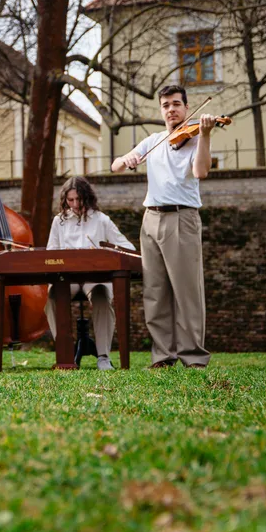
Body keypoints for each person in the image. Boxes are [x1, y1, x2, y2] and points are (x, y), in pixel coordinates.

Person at [111, 85, 216, 368]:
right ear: (161, 110)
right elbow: (116, 166)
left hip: (182, 217)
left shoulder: (196, 139)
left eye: (176, 104)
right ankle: (163, 355)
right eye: (166, 105)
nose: (171, 109)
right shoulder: (153, 141)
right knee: (155, 291)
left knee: (186, 291)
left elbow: (201, 171)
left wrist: (205, 134)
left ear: (186, 107)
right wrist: (127, 159)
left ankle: (193, 357)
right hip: (151, 219)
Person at [43, 176, 135, 370]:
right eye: (70, 200)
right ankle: (64, 353)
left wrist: (106, 252)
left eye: (79, 199)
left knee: (101, 295)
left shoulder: (101, 220)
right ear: (65, 200)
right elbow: (51, 252)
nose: (75, 204)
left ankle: (103, 356)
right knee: (53, 296)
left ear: (87, 197)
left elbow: (128, 248)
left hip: (96, 278)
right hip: (68, 278)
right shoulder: (59, 221)